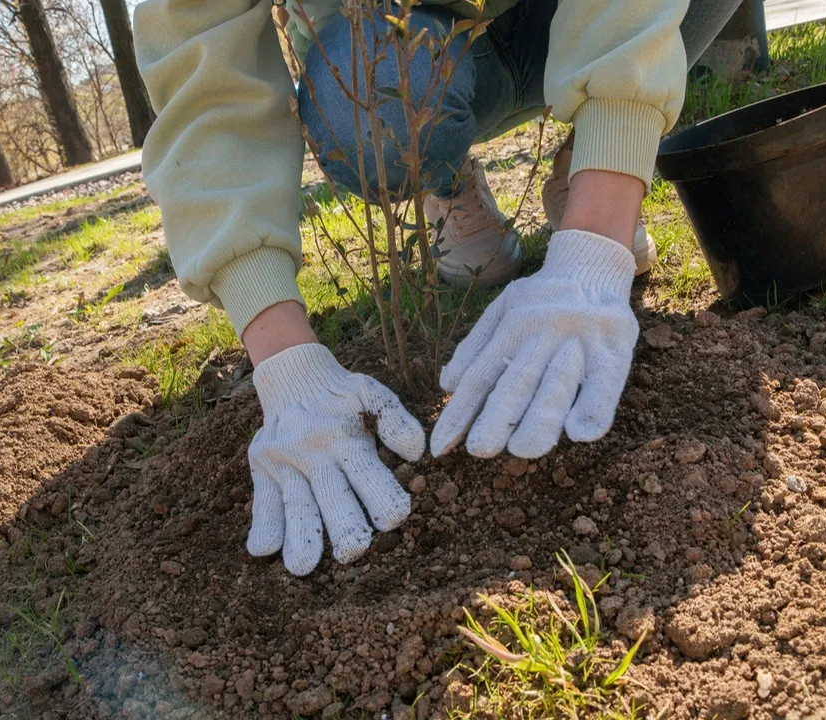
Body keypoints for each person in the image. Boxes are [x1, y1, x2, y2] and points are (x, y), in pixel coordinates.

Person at [132, 0, 743, 576]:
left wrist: (595, 242)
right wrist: (284, 361)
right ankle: (444, 181)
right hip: (400, 57)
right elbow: (200, 62)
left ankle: (590, 163)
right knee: (368, 111)